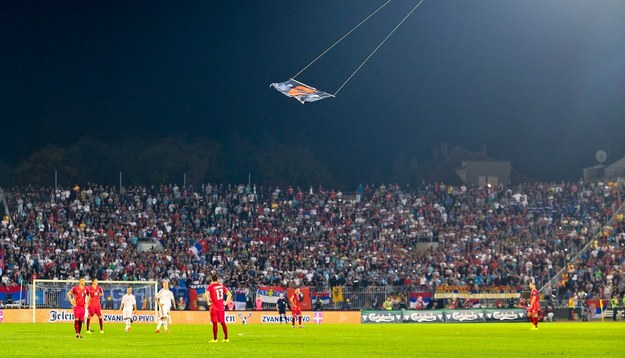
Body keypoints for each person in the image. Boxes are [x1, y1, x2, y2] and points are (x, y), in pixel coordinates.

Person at [204, 274, 232, 343]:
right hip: (221, 307)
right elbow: (229, 294)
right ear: (217, 280)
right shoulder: (221, 286)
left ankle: (215, 339)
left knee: (214, 323)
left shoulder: (210, 287)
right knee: (223, 323)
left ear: (211, 280)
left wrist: (208, 302)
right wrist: (225, 303)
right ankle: (226, 338)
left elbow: (206, 295)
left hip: (214, 307)